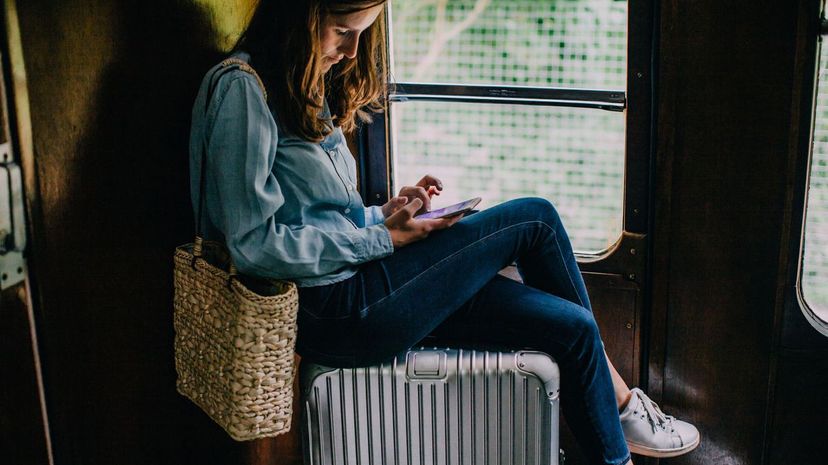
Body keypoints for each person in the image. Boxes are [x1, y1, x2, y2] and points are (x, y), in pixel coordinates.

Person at [188, 1, 700, 463]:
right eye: (341, 31)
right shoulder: (243, 89)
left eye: (361, 34)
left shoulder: (300, 85)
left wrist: (388, 215)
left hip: (360, 280)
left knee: (573, 329)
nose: (350, 52)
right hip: (337, 310)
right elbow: (255, 245)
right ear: (300, 15)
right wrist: (384, 240)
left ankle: (619, 443)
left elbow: (318, 218)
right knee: (535, 219)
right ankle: (626, 406)